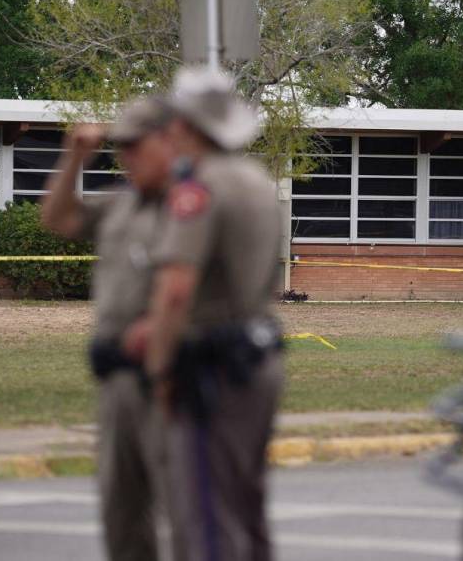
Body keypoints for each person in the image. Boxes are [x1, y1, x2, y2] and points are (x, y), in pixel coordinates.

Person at [129, 67, 285, 561]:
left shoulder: (199, 189)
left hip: (212, 368)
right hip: (259, 358)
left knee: (205, 519)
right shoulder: (259, 182)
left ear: (184, 125)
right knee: (247, 505)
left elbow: (176, 290)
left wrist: (159, 369)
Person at [41, 98, 175, 561]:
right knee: (122, 508)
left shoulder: (193, 206)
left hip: (171, 379)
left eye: (137, 146)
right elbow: (58, 218)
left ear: (169, 141)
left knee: (184, 510)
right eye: (122, 148)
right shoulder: (122, 205)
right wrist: (74, 157)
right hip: (118, 378)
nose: (127, 157)